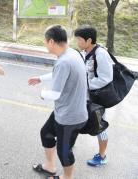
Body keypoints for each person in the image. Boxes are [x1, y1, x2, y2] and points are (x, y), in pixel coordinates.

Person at [28, 25, 88, 179]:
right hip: (65, 111)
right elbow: (59, 74)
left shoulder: (63, 61)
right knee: (46, 133)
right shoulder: (72, 53)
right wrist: (40, 78)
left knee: (64, 150)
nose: (45, 44)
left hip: (70, 117)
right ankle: (49, 166)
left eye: (45, 41)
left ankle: (67, 178)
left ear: (52, 42)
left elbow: (54, 94)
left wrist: (42, 93)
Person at [75, 25, 113, 167]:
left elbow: (106, 78)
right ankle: (70, 142)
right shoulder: (85, 52)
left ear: (89, 40)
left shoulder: (101, 54)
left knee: (99, 126)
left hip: (98, 99)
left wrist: (86, 84)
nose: (77, 42)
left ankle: (102, 156)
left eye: (79, 39)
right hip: (85, 96)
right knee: (77, 118)